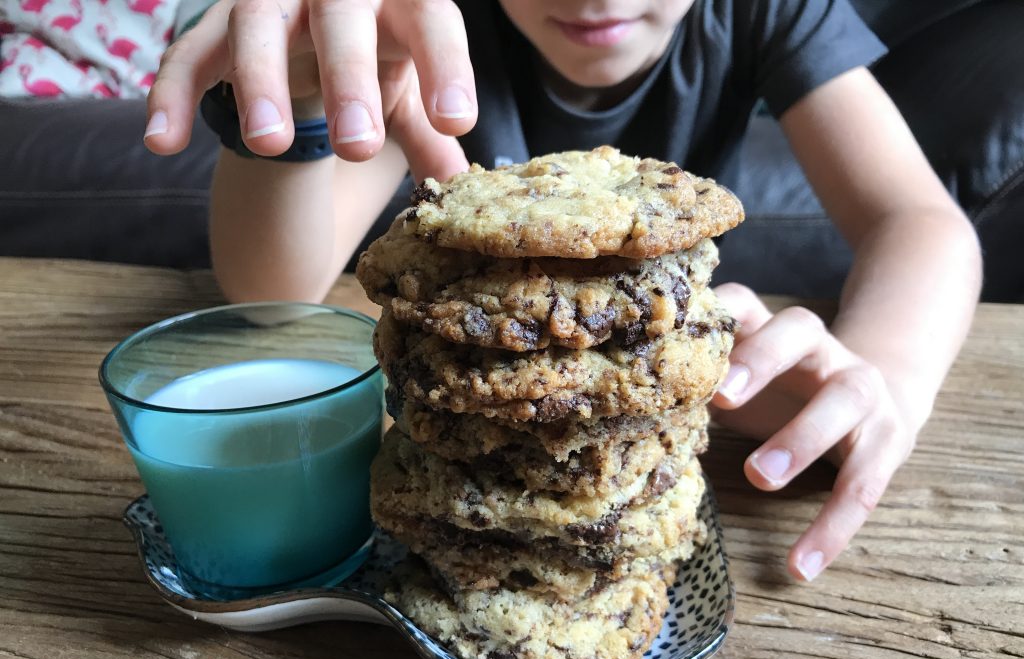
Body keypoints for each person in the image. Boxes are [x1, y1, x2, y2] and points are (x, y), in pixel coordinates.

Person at [142, 0, 981, 583]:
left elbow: (920, 221)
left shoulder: (764, 11)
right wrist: (305, 97)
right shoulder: (424, 37)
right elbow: (269, 287)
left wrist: (888, 375)